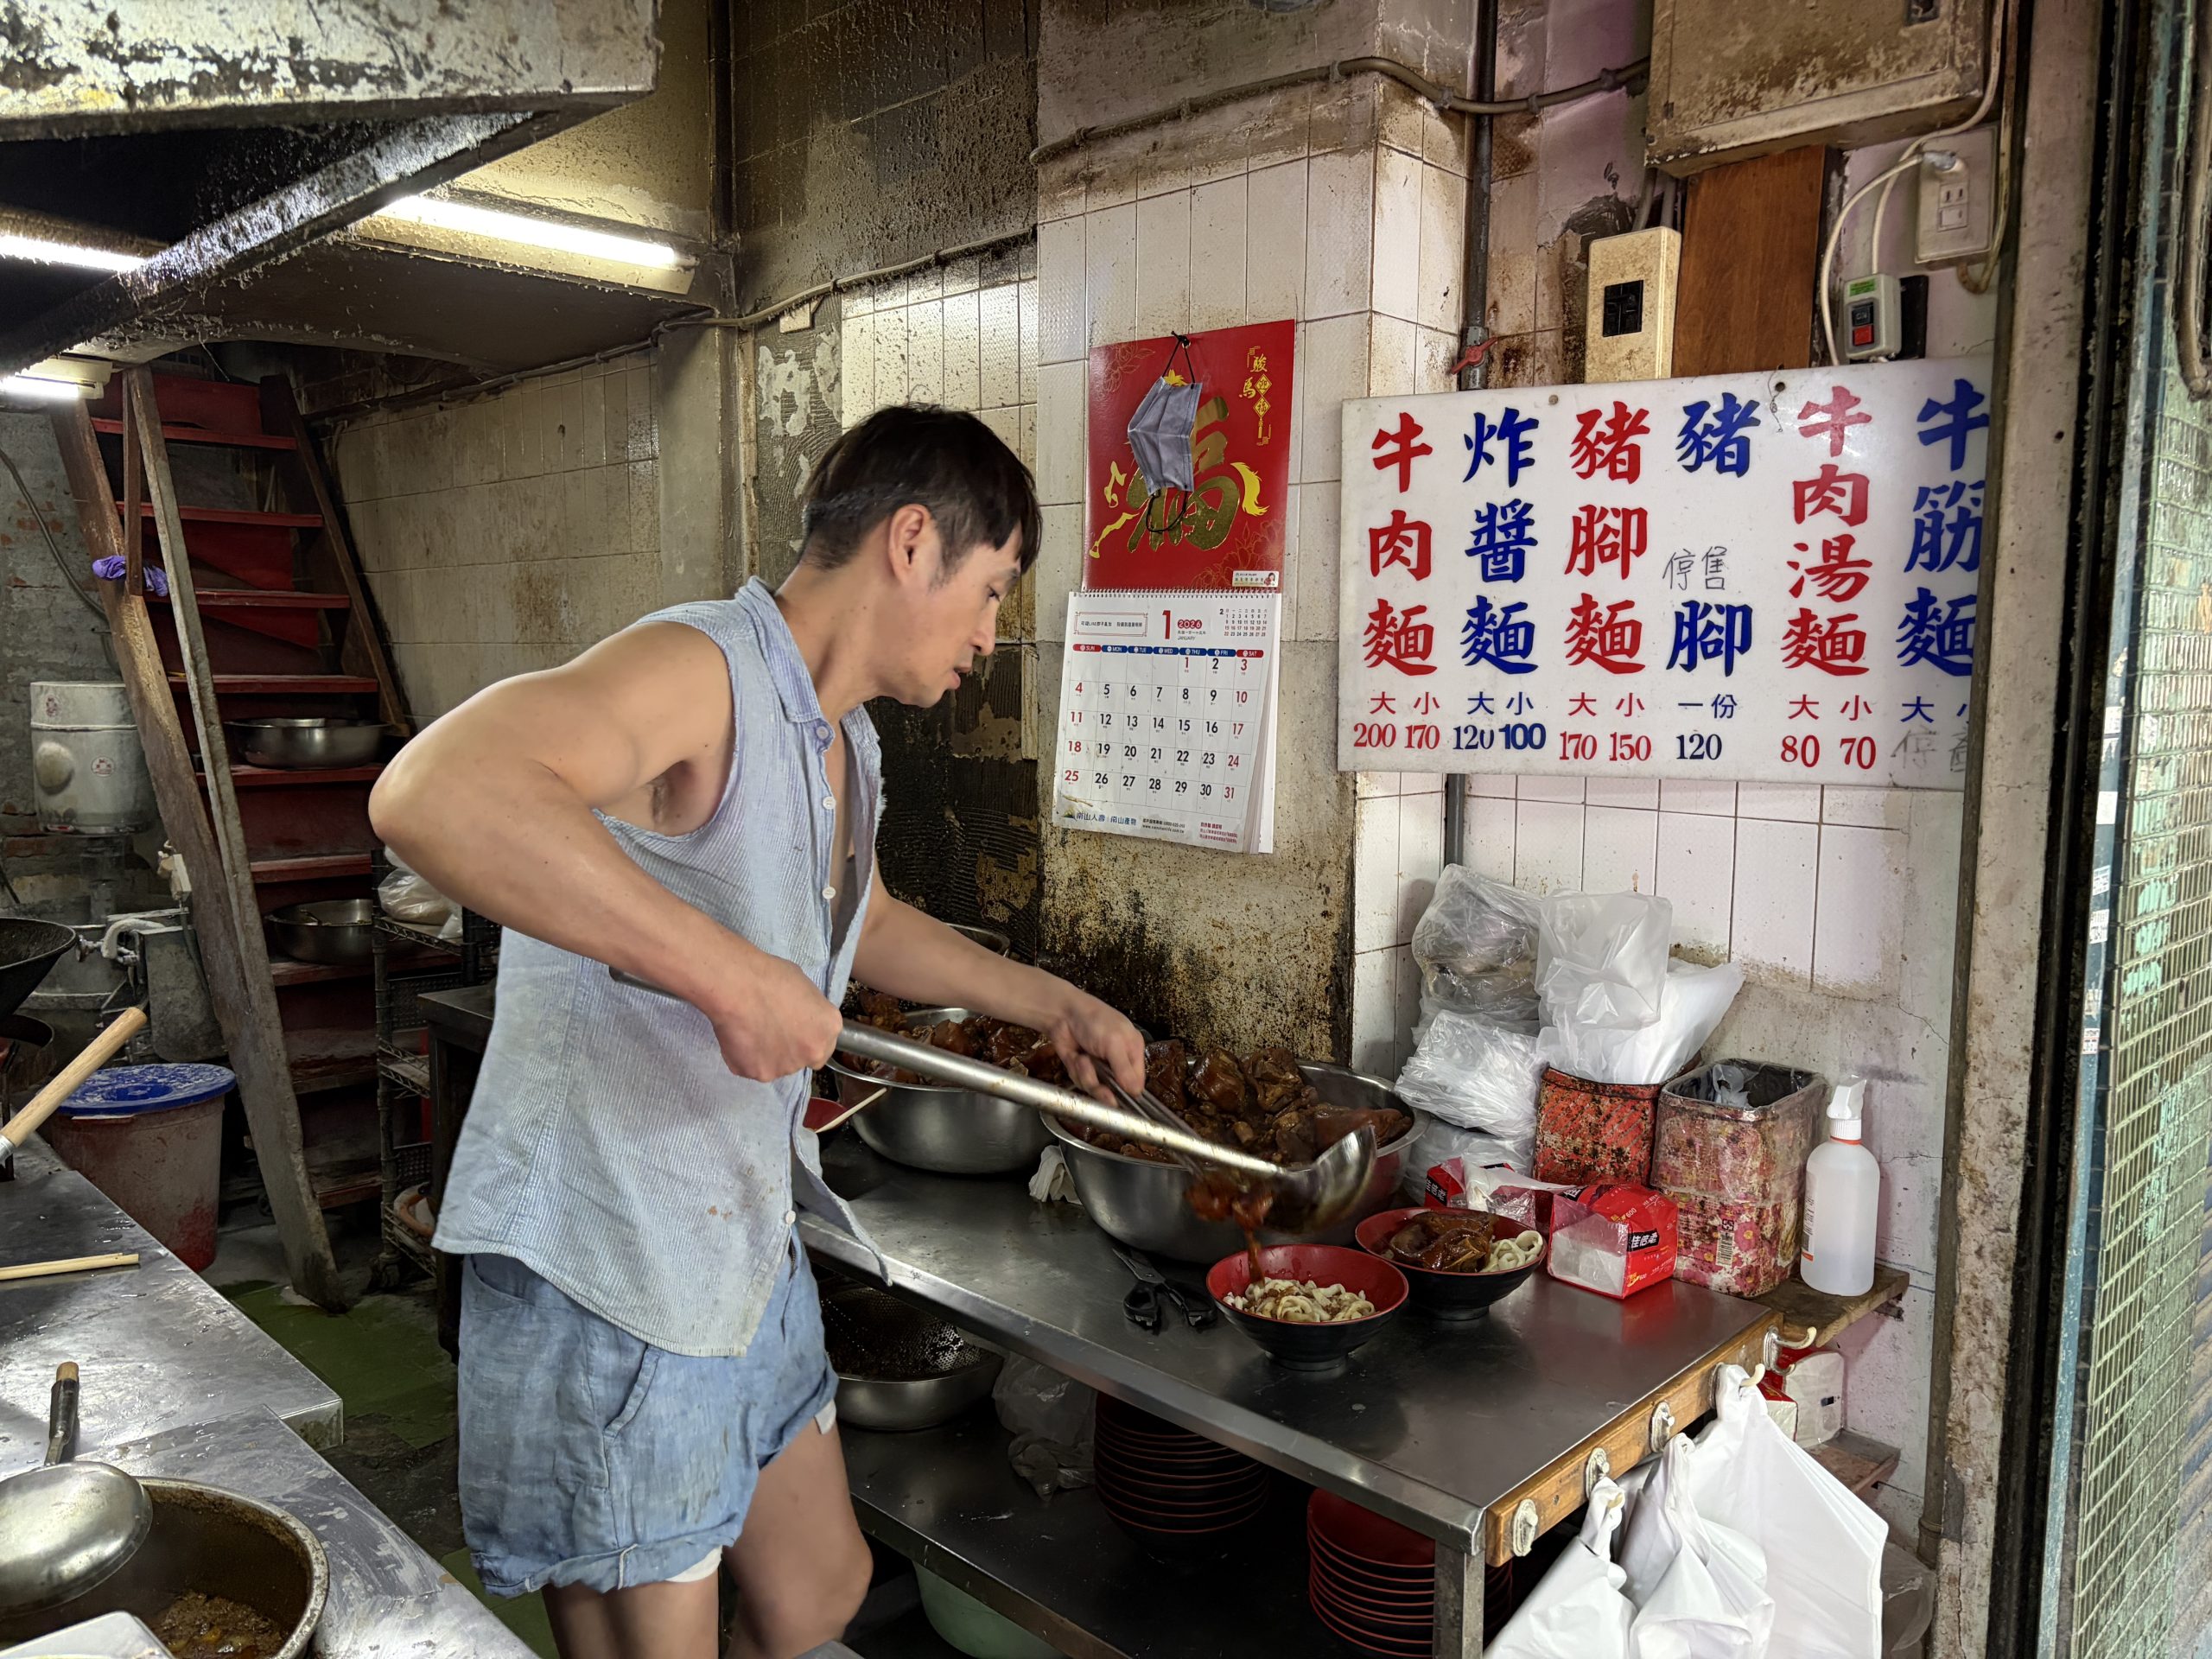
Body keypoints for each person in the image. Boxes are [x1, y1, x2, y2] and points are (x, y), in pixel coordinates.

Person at [370, 404, 1146, 1659]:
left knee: (817, 1593)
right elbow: (432, 791)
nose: (991, 636)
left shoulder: (848, 744)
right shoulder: (703, 667)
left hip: (738, 1247)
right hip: (610, 1262)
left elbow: (867, 922)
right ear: (911, 545)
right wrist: (731, 980)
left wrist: (1056, 1002)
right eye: (991, 590)